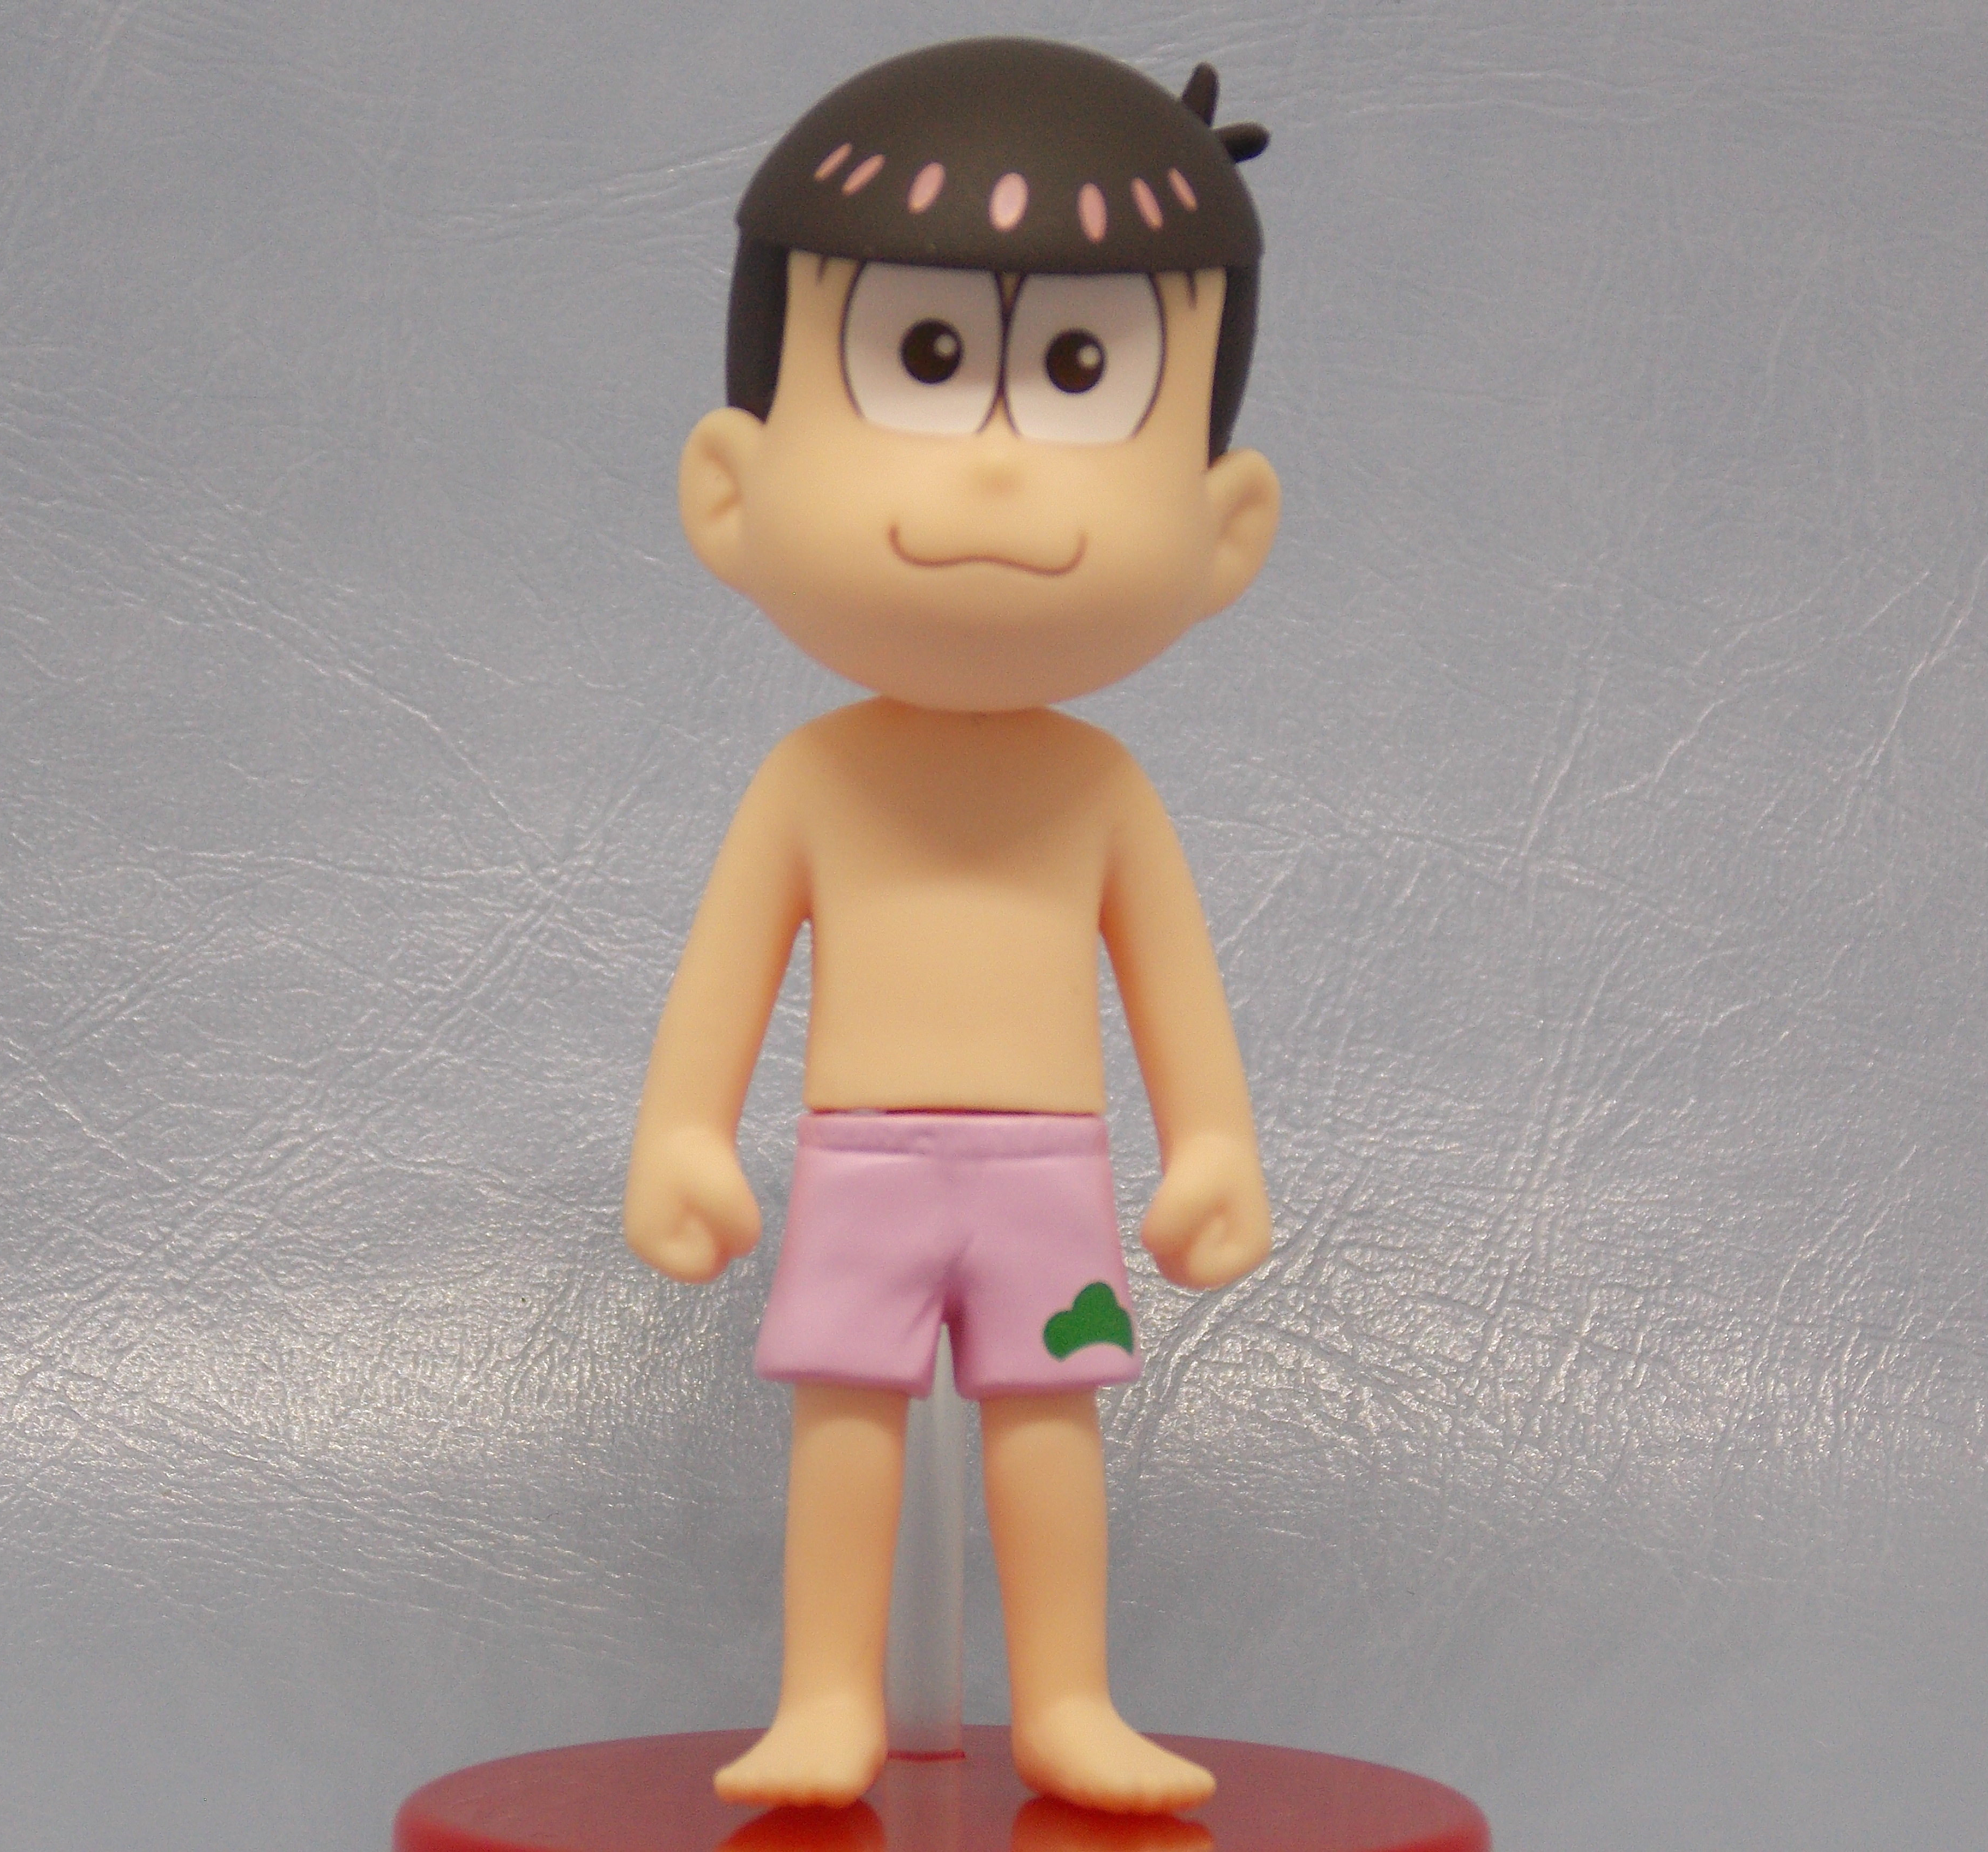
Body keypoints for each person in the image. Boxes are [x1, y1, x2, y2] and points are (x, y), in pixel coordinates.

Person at [624, 37, 1279, 1816]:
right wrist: (683, 1132)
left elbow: (1173, 990)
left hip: (1048, 1176)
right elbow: (727, 978)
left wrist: (1214, 1144)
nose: (995, 473)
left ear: (1227, 528)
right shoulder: (811, 782)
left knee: (1051, 1419)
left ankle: (1066, 1700)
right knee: (845, 1418)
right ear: (730, 488)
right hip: (863, 1164)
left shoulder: (1103, 792)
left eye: (1078, 377)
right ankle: (827, 1695)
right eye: (923, 364)